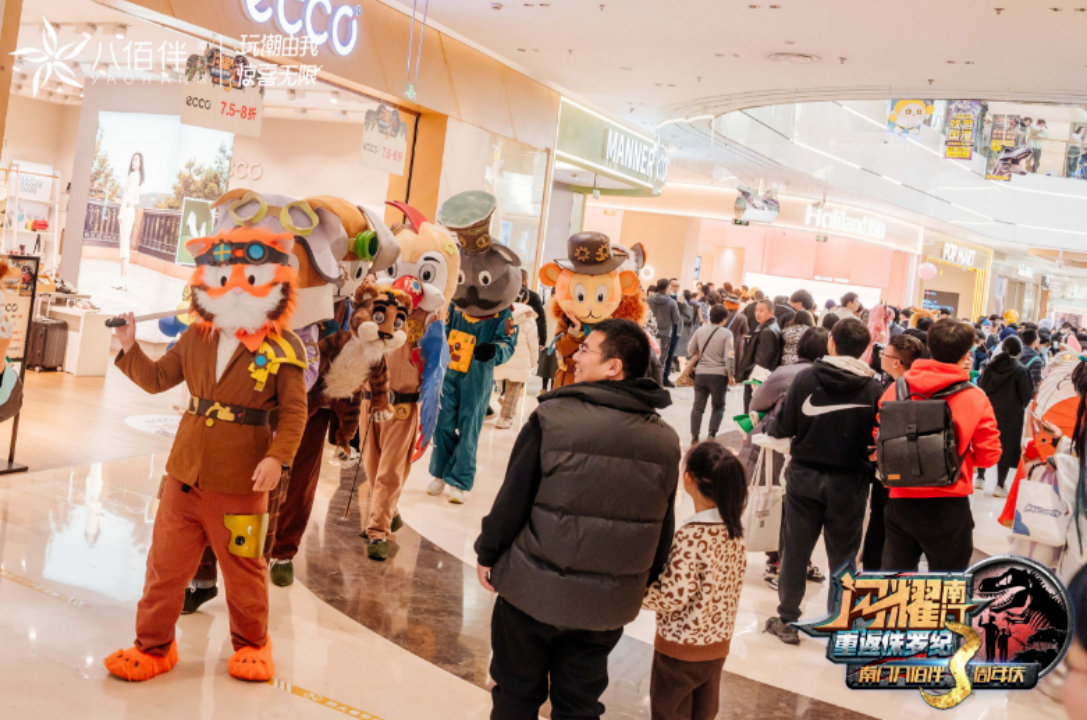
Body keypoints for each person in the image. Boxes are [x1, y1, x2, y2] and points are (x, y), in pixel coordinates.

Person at [475, 318, 680, 719]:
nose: (576, 356)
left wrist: (489, 551)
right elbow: (662, 525)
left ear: (613, 367)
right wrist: (638, 582)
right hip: (605, 606)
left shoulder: (552, 418)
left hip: (532, 590)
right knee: (579, 705)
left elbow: (513, 499)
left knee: (516, 693)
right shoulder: (665, 440)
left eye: (586, 349)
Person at [763, 319, 883, 645]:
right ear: (865, 349)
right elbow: (878, 438)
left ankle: (787, 619)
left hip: (804, 476)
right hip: (851, 482)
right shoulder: (873, 388)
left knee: (795, 550)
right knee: (843, 556)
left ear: (831, 341)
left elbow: (783, 426)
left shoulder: (806, 378)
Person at [878, 319, 1002, 572]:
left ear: (929, 347)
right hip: (949, 502)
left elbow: (881, 436)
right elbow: (989, 456)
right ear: (966, 355)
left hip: (901, 497)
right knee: (948, 584)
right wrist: (955, 456)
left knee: (895, 580)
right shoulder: (974, 397)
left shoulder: (897, 388)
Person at [643, 442, 747, 720]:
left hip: (680, 648)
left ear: (689, 478)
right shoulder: (733, 533)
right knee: (704, 713)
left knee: (669, 713)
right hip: (716, 646)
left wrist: (635, 595)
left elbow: (672, 596)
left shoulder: (691, 535)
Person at [749, 327, 831, 586]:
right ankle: (791, 562)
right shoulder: (830, 377)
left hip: (779, 451)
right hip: (812, 454)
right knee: (803, 512)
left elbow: (756, 404)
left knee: (780, 506)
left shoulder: (784, 373)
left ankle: (779, 562)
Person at [864, 333, 925, 570]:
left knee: (880, 524)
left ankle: (873, 573)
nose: (881, 357)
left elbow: (881, 430)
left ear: (897, 362)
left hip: (890, 471)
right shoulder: (926, 387)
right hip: (920, 472)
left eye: (885, 354)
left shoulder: (894, 389)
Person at [977, 336, 1033, 498]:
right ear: (1020, 351)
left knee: (985, 442)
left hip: (988, 411)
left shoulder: (990, 366)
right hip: (1011, 415)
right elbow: (1027, 396)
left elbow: (980, 387)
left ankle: (980, 477)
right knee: (1006, 448)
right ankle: (1000, 485)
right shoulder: (1021, 370)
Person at [688, 304, 734, 444]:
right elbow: (729, 356)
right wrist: (730, 374)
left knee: (698, 407)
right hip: (719, 376)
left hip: (700, 374)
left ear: (710, 316)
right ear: (724, 319)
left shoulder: (700, 330)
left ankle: (694, 436)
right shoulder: (727, 334)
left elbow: (690, 349)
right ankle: (711, 435)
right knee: (718, 406)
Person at [494, 301, 540, 430]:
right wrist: (534, 362)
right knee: (514, 389)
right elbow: (533, 344)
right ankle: (505, 417)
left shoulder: (502, 312)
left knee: (501, 384)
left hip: (503, 356)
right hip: (521, 361)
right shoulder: (528, 318)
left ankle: (503, 405)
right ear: (526, 300)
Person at [736, 299, 783, 414]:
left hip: (757, 379)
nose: (757, 313)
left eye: (761, 310)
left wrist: (748, 373)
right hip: (763, 378)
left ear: (771, 312)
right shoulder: (770, 327)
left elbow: (762, 361)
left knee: (751, 413)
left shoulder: (767, 331)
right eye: (756, 310)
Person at [114, 152, 145, 291]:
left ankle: (123, 279)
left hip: (127, 212)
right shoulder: (139, 178)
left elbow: (126, 197)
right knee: (125, 244)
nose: (133, 162)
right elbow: (136, 200)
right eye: (133, 159)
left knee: (124, 245)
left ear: (140, 163)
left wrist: (121, 213)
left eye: (136, 160)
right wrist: (130, 203)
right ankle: (125, 280)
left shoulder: (133, 176)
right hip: (131, 211)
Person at [649, 278, 682, 387]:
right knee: (661, 360)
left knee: (649, 356)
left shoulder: (649, 300)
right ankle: (659, 383)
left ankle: (648, 380)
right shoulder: (671, 302)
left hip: (651, 333)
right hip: (665, 334)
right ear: (667, 288)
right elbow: (676, 320)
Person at [676, 289, 701, 371]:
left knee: (682, 352)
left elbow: (689, 318)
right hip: (688, 329)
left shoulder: (688, 304)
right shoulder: (690, 303)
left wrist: (678, 319)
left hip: (686, 329)